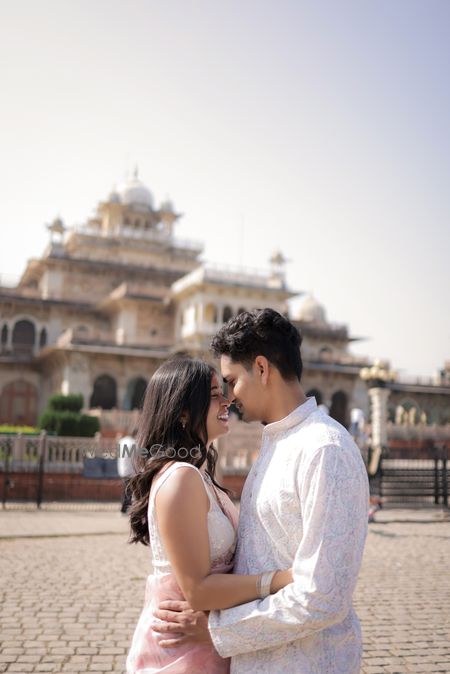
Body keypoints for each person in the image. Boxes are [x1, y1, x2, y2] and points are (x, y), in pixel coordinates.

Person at [152, 309, 370, 674]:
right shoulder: (278, 443)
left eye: (232, 381)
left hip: (305, 662)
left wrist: (220, 630)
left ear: (262, 368)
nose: (229, 397)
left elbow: (324, 596)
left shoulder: (324, 449)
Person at [126, 355, 293, 673]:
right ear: (183, 412)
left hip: (205, 636)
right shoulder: (181, 478)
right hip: (182, 648)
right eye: (215, 395)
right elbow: (198, 591)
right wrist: (279, 581)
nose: (227, 401)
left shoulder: (198, 475)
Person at [117, 428, 137, 513]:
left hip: (122, 469)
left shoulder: (123, 441)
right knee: (129, 491)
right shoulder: (134, 443)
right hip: (131, 470)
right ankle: (125, 508)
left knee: (127, 489)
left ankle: (125, 507)